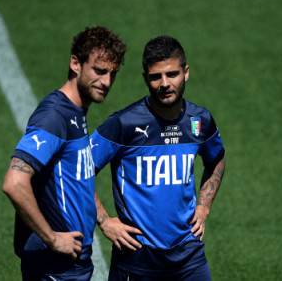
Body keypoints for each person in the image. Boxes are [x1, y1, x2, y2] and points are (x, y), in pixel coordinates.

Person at [91, 35, 226, 281]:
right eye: (155, 77)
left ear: (186, 73)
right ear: (146, 79)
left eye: (171, 74)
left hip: (189, 257)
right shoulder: (123, 124)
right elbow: (78, 169)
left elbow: (216, 159)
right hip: (137, 259)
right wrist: (104, 220)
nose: (164, 83)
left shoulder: (201, 121)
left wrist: (204, 206)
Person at [2, 26, 126, 281]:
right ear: (75, 64)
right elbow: (14, 183)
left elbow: (76, 177)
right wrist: (52, 238)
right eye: (99, 71)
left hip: (70, 265)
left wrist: (103, 220)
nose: (106, 82)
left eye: (112, 74)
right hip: (53, 266)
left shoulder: (75, 113)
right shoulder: (54, 117)